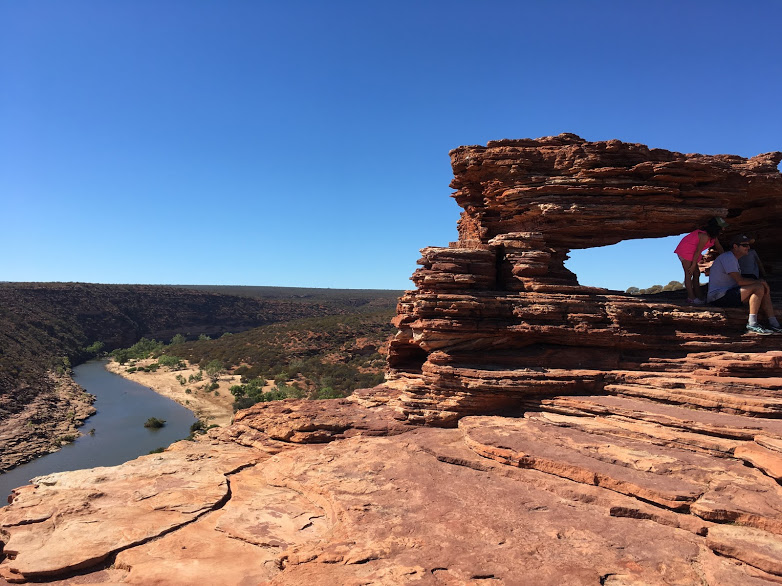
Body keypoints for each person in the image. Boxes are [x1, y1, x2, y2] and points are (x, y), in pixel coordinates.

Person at [707, 234, 782, 335]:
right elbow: (740, 281)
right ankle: (752, 324)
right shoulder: (728, 258)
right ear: (735, 246)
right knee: (759, 286)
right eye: (745, 245)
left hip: (727, 294)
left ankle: (774, 324)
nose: (748, 247)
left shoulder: (733, 259)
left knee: (762, 289)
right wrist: (761, 281)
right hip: (718, 297)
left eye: (748, 245)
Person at [674, 217, 726, 304]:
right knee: (688, 273)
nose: (724, 229)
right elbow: (698, 251)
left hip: (693, 252)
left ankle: (699, 296)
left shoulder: (713, 237)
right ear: (716, 227)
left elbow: (719, 247)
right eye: (722, 227)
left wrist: (726, 258)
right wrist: (694, 265)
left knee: (697, 273)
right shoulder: (704, 236)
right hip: (685, 251)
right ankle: (691, 298)